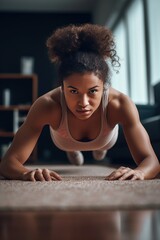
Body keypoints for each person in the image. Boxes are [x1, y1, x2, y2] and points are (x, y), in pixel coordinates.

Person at [0, 24, 159, 181]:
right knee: (71, 146)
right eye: (74, 91)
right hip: (65, 141)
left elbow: (151, 160)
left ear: (104, 86)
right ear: (62, 87)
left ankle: (98, 151)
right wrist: (25, 173)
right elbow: (7, 163)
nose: (83, 103)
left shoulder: (119, 104)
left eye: (93, 91)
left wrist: (141, 172)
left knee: (100, 151)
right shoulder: (47, 105)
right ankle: (73, 151)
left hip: (106, 139)